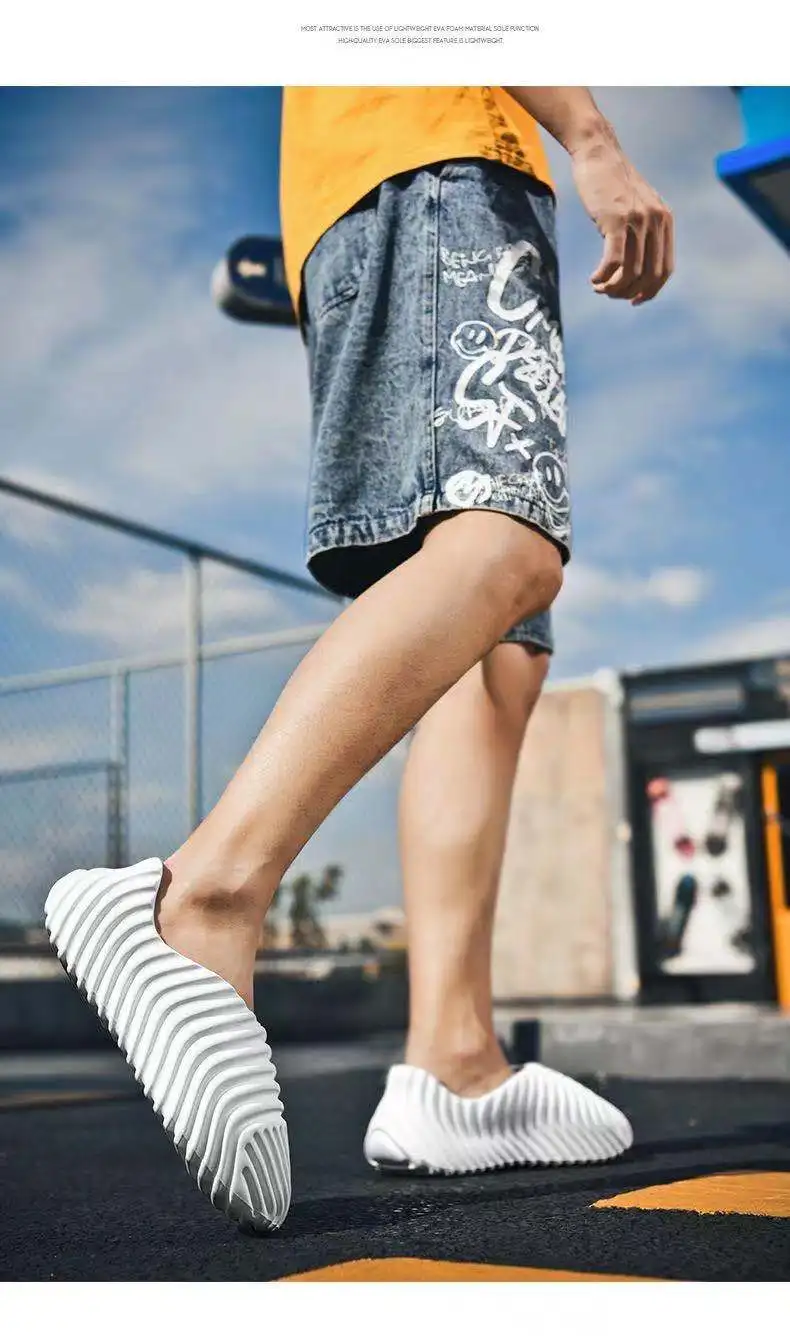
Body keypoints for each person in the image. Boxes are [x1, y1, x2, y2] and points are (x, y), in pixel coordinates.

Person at [45, 86, 673, 1228]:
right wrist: (593, 138)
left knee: (496, 650)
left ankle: (454, 1059)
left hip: (378, 190)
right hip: (442, 167)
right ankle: (206, 892)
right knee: (507, 543)